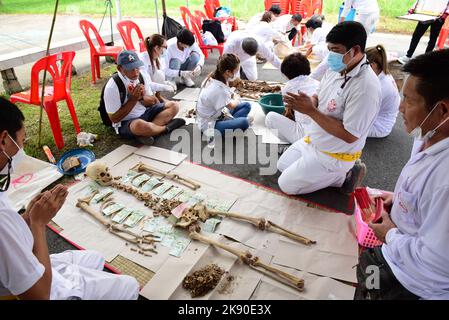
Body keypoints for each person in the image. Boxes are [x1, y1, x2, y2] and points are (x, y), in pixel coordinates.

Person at [0, 97, 140, 300]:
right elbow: (39, 295)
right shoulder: (2, 220)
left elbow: (9, 233)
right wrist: (38, 224)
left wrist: (28, 216)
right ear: (3, 140)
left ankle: (86, 283)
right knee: (129, 286)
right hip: (38, 289)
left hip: (21, 265)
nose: (21, 150)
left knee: (96, 258)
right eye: (20, 142)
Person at [356, 49, 449, 300]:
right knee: (366, 275)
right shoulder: (429, 135)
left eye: (408, 99)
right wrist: (399, 199)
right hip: (394, 252)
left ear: (442, 110)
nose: (399, 107)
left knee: (373, 284)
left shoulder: (446, 179)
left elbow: (436, 263)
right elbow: (425, 197)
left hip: (412, 283)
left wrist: (389, 234)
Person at [279, 21, 381, 195]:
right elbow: (319, 94)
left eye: (335, 50)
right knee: (281, 166)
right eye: (330, 49)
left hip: (334, 156)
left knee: (286, 185)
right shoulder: (337, 67)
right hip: (312, 140)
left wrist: (310, 111)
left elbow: (350, 135)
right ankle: (321, 173)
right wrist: (309, 101)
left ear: (355, 50)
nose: (331, 55)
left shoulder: (366, 87)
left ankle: (344, 176)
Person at [104, 50, 184, 146]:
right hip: (128, 122)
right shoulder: (113, 86)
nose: (135, 72)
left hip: (145, 112)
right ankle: (165, 128)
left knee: (174, 106)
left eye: (136, 67)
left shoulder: (141, 76)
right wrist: (133, 99)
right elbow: (114, 119)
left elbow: (153, 101)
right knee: (139, 126)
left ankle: (148, 132)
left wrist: (141, 98)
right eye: (130, 69)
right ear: (120, 69)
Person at [265, 52, 319, 144]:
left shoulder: (288, 87)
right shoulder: (317, 83)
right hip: (323, 133)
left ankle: (289, 144)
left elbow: (288, 114)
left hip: (305, 135)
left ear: (286, 73)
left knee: (270, 117)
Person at [196, 53, 252, 135]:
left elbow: (227, 93)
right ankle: (235, 123)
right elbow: (232, 105)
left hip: (220, 113)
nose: (237, 73)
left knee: (247, 105)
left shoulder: (214, 76)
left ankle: (233, 123)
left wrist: (232, 94)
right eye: (237, 70)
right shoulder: (219, 89)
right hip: (210, 125)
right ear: (228, 72)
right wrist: (237, 98)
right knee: (244, 122)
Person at [366, 44, 401, 138]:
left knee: (341, 123)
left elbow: (362, 110)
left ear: (372, 65)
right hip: (379, 119)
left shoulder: (381, 86)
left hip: (379, 127)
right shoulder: (382, 75)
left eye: (361, 65)